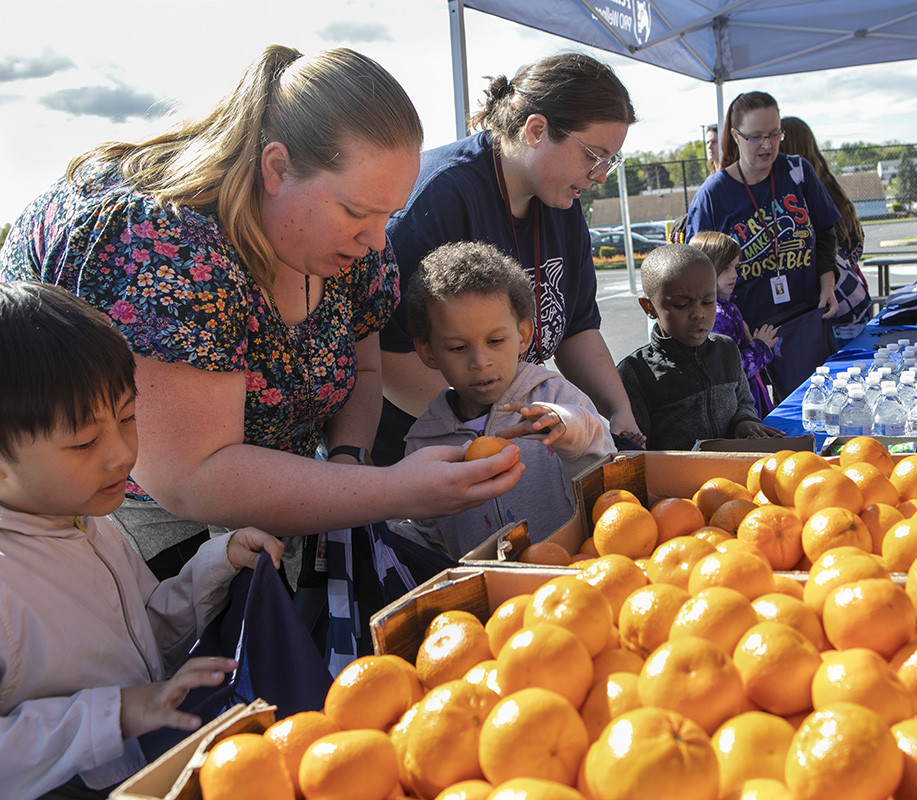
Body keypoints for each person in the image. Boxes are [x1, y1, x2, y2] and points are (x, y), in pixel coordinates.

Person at [0, 45, 524, 580]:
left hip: (269, 505)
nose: (374, 240)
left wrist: (348, 461)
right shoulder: (172, 249)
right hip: (107, 527)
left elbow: (364, 368)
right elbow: (189, 475)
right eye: (356, 212)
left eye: (387, 214)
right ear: (276, 168)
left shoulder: (350, 253)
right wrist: (391, 490)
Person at [0, 281, 285, 800]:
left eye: (128, 418)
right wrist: (119, 713)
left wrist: (214, 564)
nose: (121, 455)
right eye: (84, 441)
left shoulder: (86, 521)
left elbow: (145, 633)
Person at [377, 52, 644, 466]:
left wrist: (618, 408)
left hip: (509, 440)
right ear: (536, 130)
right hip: (423, 456)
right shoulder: (441, 197)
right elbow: (385, 355)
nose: (601, 174)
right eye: (593, 155)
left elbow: (576, 327)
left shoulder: (562, 201)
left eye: (610, 159)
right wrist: (491, 425)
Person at [394, 242, 616, 559]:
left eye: (496, 341)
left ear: (524, 334)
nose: (480, 361)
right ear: (428, 351)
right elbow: (431, 538)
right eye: (458, 347)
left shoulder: (554, 397)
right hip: (496, 598)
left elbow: (603, 455)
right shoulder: (424, 441)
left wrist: (568, 426)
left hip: (572, 575)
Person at [685, 91, 842, 401]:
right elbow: (694, 268)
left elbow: (825, 230)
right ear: (735, 136)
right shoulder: (714, 194)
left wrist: (827, 284)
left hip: (803, 322)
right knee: (762, 418)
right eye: (756, 137)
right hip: (746, 333)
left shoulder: (797, 172)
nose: (768, 145)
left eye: (774, 134)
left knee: (816, 410)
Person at [618, 244, 783, 450]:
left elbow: (743, 401)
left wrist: (744, 421)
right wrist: (630, 445)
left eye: (708, 301)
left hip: (732, 469)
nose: (699, 313)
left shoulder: (727, 349)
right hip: (680, 478)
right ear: (649, 307)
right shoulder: (635, 373)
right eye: (681, 305)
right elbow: (637, 446)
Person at [780, 116, 873, 346]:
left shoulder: (802, 195)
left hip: (830, 308)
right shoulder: (832, 186)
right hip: (853, 299)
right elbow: (856, 242)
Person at [688, 230, 777, 416]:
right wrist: (760, 346)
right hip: (736, 412)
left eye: (736, 267)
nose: (734, 274)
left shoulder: (723, 307)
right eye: (726, 267)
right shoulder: (716, 315)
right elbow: (730, 371)